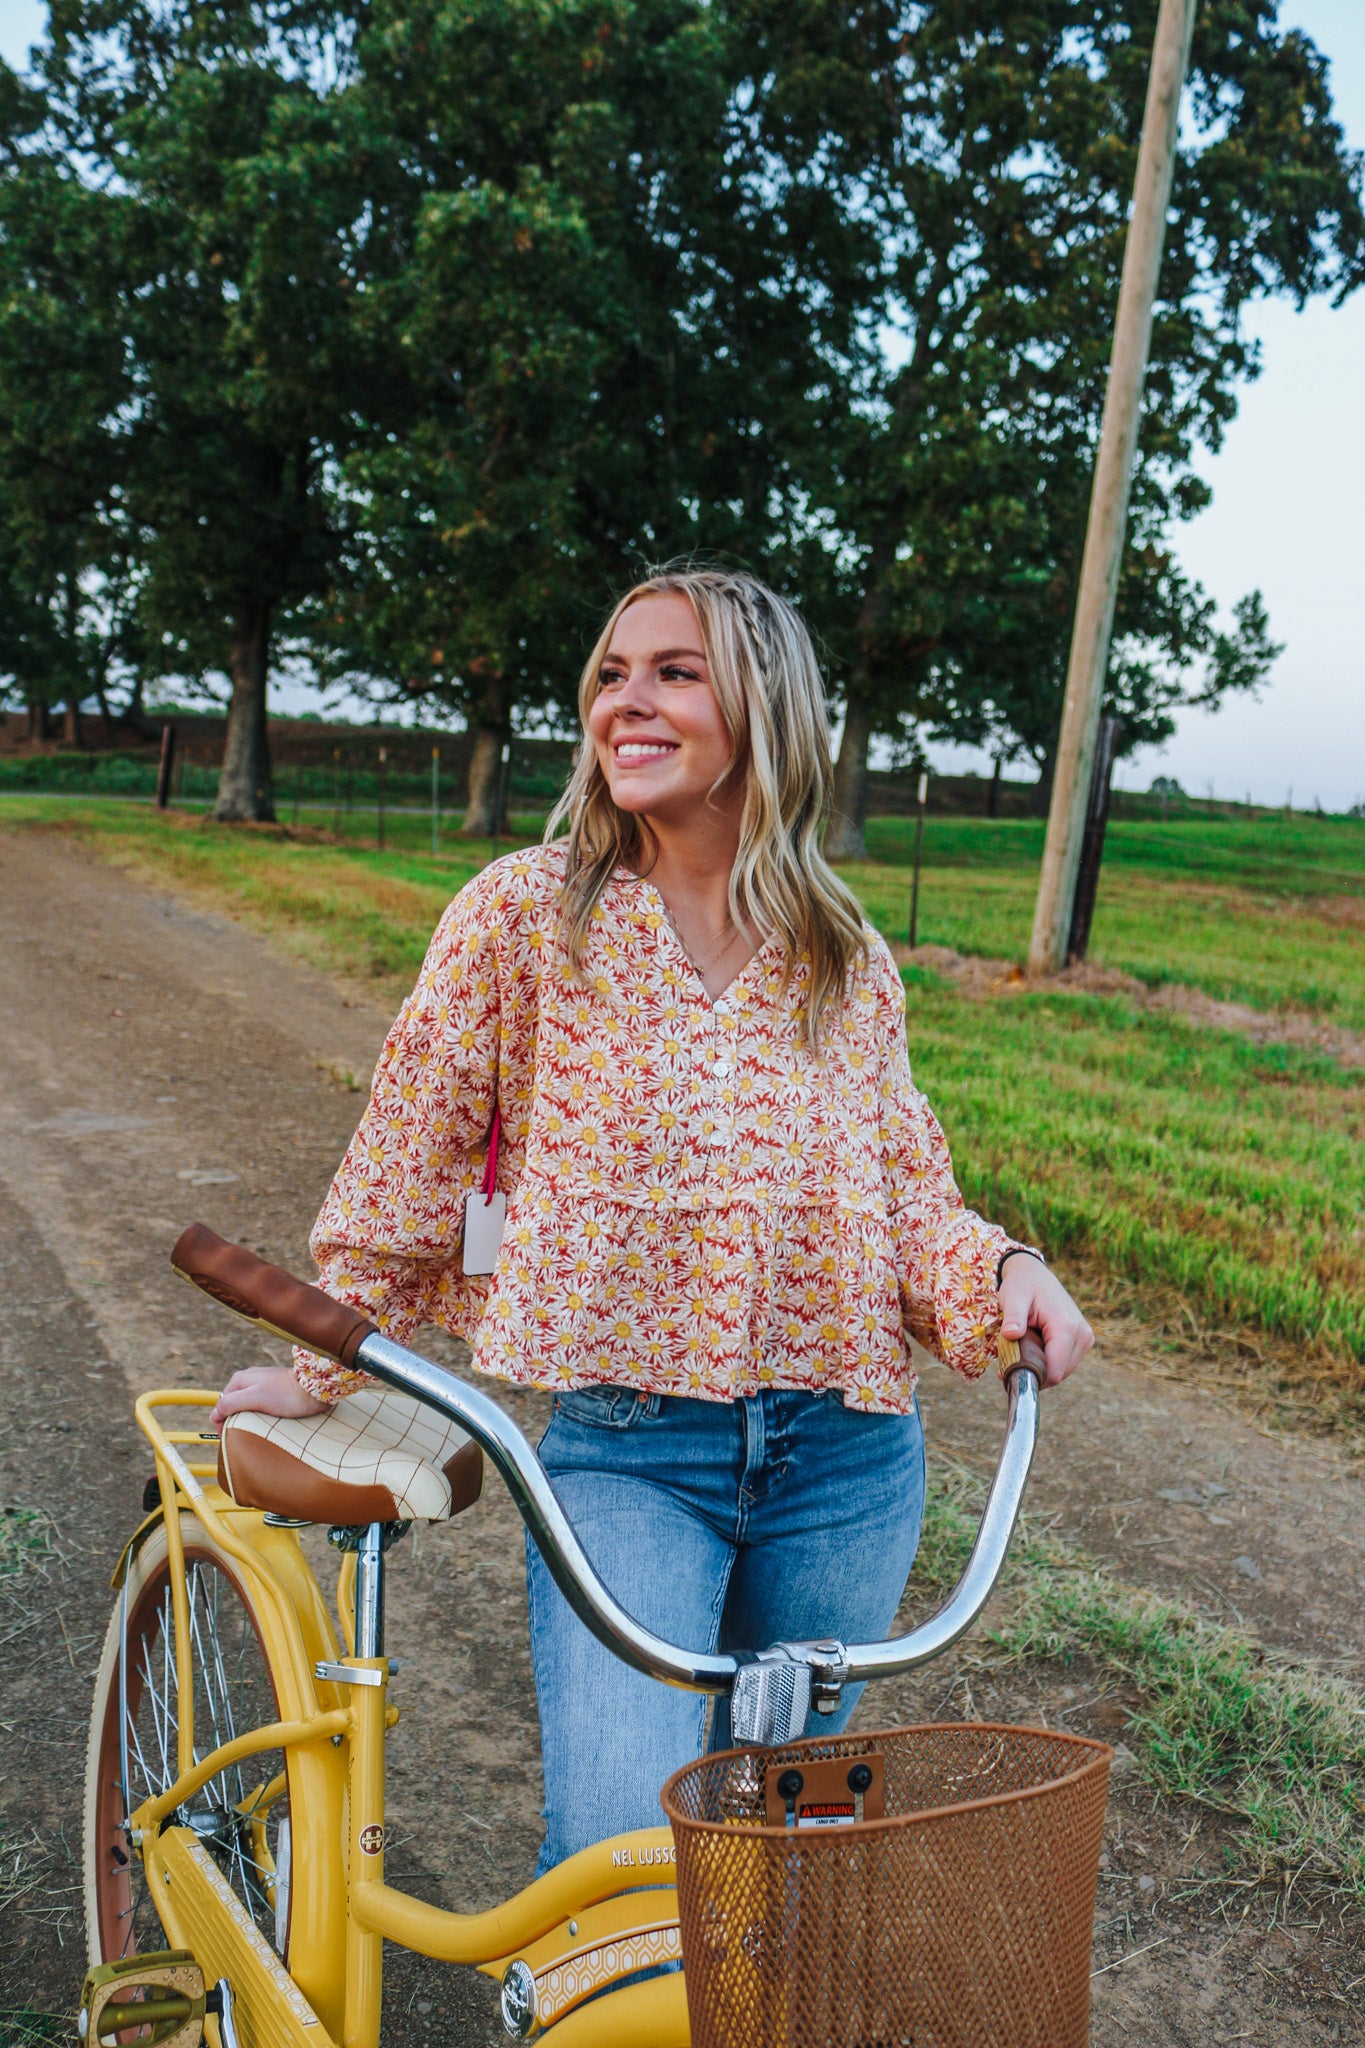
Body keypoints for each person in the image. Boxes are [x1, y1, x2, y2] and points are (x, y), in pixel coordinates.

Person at [211, 566, 1092, 1872]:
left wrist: (1007, 1268)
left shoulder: (840, 950)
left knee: (789, 1858)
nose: (627, 701)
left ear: (762, 712)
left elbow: (902, 1196)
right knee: (626, 1867)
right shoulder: (523, 917)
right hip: (632, 1456)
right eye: (611, 675)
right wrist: (323, 1363)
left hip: (846, 1463)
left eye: (673, 673)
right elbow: (405, 1172)